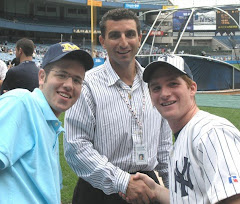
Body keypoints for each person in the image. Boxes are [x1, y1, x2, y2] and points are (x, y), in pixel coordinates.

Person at [64, 8, 172, 204]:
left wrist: (174, 189)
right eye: (115, 35)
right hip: (99, 191)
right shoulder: (87, 84)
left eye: (130, 34)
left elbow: (164, 148)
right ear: (102, 41)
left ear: (139, 38)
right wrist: (123, 182)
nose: (124, 43)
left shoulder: (155, 84)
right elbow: (76, 147)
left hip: (148, 187)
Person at [120, 54, 240, 204]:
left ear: (192, 88)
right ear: (151, 96)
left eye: (173, 84)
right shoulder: (183, 137)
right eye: (156, 88)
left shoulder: (211, 133)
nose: (164, 94)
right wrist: (156, 190)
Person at [0, 42, 94, 203]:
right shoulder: (22, 103)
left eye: (77, 80)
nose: (69, 85)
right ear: (42, 77)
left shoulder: (50, 124)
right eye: (62, 75)